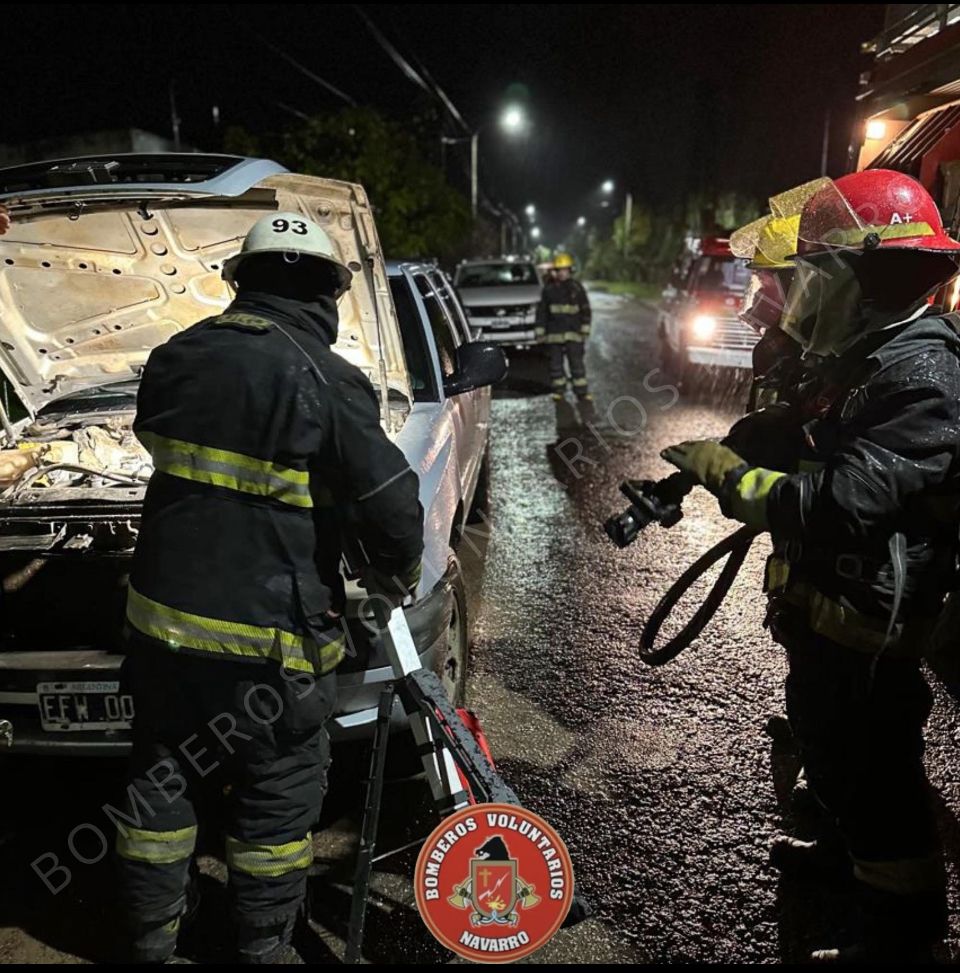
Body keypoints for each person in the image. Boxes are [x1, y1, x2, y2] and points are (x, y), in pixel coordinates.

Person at [661, 170, 960, 962]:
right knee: (830, 746)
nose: (804, 294)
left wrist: (733, 478)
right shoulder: (872, 357)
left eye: (820, 276)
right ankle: (843, 857)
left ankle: (902, 939)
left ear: (872, 279)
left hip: (873, 626)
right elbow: (816, 433)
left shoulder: (923, 374)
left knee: (877, 778)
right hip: (834, 611)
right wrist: (764, 433)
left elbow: (842, 501)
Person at [115, 212, 424, 963]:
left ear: (242, 282)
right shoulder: (328, 379)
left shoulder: (174, 357)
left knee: (161, 783)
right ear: (328, 292)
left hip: (161, 634)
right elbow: (392, 509)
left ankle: (151, 942)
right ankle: (263, 947)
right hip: (270, 650)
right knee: (275, 800)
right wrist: (395, 574)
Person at [536, 252, 594, 428]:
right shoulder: (549, 290)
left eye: (565, 270)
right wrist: (540, 331)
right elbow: (542, 312)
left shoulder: (577, 288)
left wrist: (585, 328)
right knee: (556, 366)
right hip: (554, 334)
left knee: (577, 365)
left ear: (570, 270)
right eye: (559, 270)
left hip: (574, 334)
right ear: (555, 271)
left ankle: (582, 393)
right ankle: (559, 391)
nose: (562, 273)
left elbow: (585, 309)